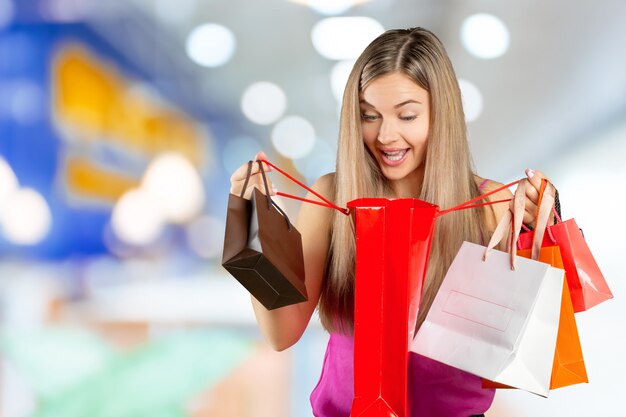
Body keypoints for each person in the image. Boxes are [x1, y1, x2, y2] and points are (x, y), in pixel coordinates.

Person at [229, 27, 550, 417]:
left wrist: (542, 230)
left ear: (440, 114)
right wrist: (252, 230)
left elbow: (525, 356)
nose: (385, 135)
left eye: (407, 115)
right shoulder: (332, 196)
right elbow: (282, 333)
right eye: (369, 115)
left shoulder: (493, 205)